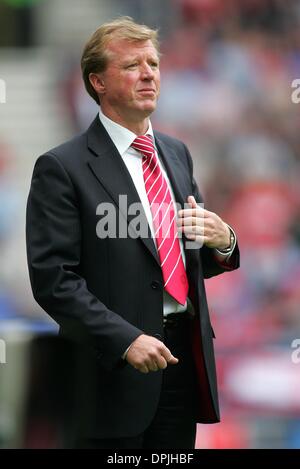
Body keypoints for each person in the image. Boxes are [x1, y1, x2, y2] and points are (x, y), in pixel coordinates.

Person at [26, 17, 239, 449]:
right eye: (132, 65)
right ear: (97, 81)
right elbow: (54, 281)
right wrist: (125, 340)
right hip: (108, 372)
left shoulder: (177, 153)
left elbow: (175, 262)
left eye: (153, 63)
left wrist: (223, 241)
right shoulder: (62, 167)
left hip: (182, 361)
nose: (148, 74)